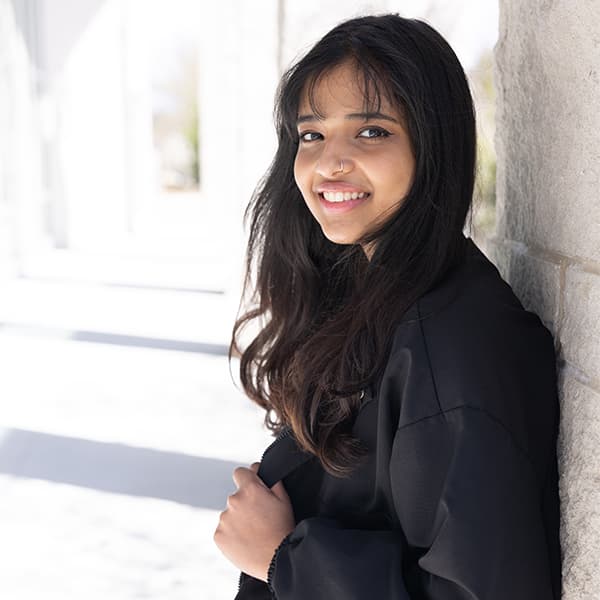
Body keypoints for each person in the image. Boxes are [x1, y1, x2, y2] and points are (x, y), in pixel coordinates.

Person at [213, 13, 562, 600]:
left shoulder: (453, 343)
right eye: (311, 134)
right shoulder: (374, 294)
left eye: (371, 131)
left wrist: (284, 559)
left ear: (432, 143)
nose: (329, 162)